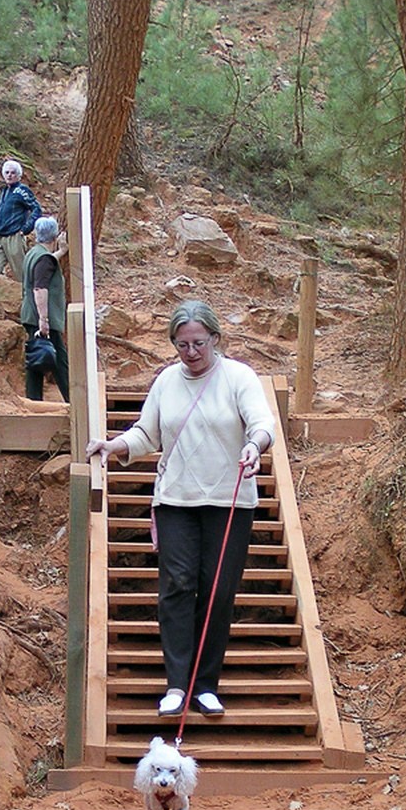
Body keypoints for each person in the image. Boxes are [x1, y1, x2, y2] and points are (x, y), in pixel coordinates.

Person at [86, 299, 275, 718]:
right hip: (175, 500)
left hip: (229, 501)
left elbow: (262, 423)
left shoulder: (239, 377)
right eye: (182, 345)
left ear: (215, 339)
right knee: (177, 585)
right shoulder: (166, 381)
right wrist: (113, 445)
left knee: (218, 590)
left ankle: (205, 685)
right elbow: (145, 434)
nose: (191, 353)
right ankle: (176, 684)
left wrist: (253, 445)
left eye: (198, 344)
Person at [21, 216, 70, 402]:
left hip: (29, 315)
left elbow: (46, 262)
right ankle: (73, 400)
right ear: (55, 236)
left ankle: (33, 400)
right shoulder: (43, 259)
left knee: (35, 359)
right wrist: (44, 319)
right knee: (60, 362)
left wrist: (61, 252)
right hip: (40, 317)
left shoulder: (34, 254)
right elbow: (40, 288)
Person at [0, 159, 42, 282]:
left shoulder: (21, 190)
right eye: (7, 172)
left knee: (21, 272)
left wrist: (26, 228)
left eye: (13, 173)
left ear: (18, 175)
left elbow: (36, 209)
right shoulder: (4, 191)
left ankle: (28, 297)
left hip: (14, 236)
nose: (9, 175)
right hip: (0, 236)